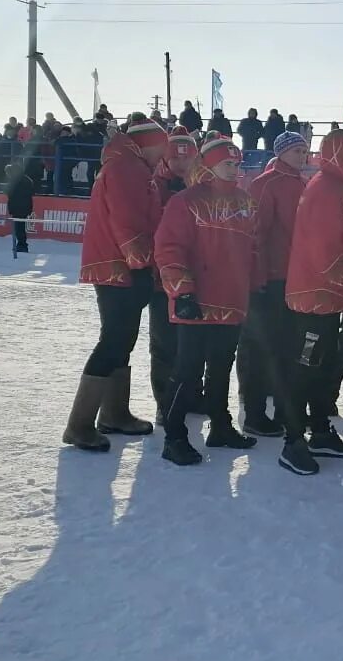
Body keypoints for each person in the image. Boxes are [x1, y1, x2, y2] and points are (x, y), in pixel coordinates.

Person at [63, 119, 168, 451]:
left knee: (122, 338)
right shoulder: (127, 169)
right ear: (148, 144)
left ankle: (114, 414)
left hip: (117, 266)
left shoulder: (126, 165)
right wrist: (140, 264)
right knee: (114, 340)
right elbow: (127, 221)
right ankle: (80, 425)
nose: (163, 155)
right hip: (119, 268)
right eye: (161, 148)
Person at [155, 135, 260, 465]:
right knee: (187, 371)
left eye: (236, 164)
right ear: (210, 165)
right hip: (196, 301)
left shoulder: (246, 202)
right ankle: (174, 436)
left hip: (232, 300)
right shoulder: (185, 201)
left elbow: (253, 250)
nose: (234, 169)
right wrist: (181, 290)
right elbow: (169, 248)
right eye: (227, 163)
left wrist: (255, 286)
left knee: (221, 367)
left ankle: (221, 426)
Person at [280, 129, 343, 473]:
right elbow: (323, 247)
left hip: (327, 297)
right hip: (314, 297)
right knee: (305, 369)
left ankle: (319, 429)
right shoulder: (325, 189)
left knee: (322, 366)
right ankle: (292, 440)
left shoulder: (335, 188)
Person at [233, 131, 307, 442]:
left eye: (305, 150)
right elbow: (255, 234)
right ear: (280, 153)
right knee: (260, 347)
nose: (302, 156)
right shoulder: (267, 184)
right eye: (296, 151)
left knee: (288, 345)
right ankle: (254, 412)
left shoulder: (303, 183)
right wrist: (257, 276)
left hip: (294, 276)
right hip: (270, 278)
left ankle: (281, 405)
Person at [148, 127, 199, 420]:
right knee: (165, 344)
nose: (181, 164)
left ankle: (191, 396)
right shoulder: (156, 186)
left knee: (193, 345)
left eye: (187, 157)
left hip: (198, 277)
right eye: (175, 157)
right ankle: (164, 403)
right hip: (162, 280)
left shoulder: (203, 188)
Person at [5, 160, 33, 255]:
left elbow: (10, 194)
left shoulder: (15, 182)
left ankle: (22, 245)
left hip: (18, 207)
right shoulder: (27, 180)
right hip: (25, 207)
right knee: (20, 227)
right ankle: (22, 244)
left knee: (19, 228)